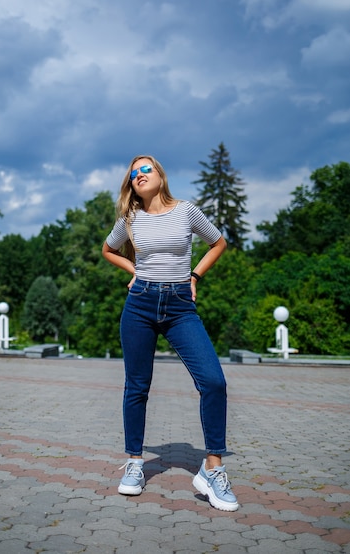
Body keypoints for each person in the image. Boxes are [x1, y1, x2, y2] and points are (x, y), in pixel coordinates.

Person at [102, 154, 238, 512]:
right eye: (133, 173)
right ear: (131, 185)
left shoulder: (187, 211)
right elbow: (107, 250)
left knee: (213, 381)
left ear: (161, 175)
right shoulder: (130, 218)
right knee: (137, 386)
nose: (139, 175)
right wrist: (132, 268)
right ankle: (134, 461)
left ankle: (213, 468)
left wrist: (194, 276)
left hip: (180, 305)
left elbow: (218, 243)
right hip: (140, 303)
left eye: (146, 169)